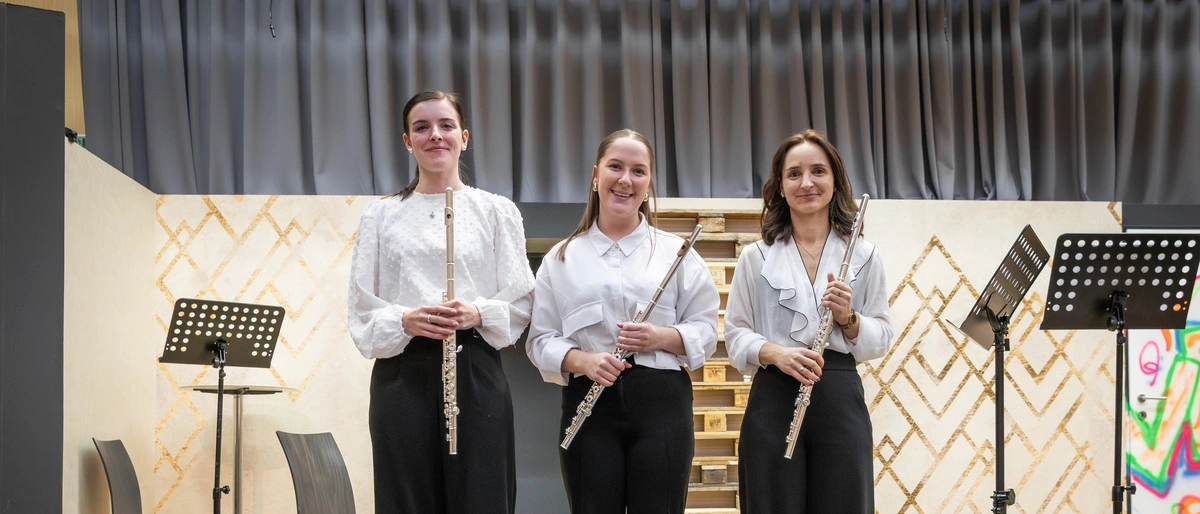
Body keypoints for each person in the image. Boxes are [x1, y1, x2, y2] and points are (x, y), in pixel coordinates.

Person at [347, 90, 535, 513]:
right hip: (402, 373)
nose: (435, 135)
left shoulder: (496, 210)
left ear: (463, 137)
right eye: (422, 127)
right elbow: (361, 306)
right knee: (406, 499)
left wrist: (477, 312)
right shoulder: (380, 215)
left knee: (483, 497)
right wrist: (404, 319)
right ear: (407, 140)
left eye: (446, 125)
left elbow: (523, 299)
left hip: (475, 369)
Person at [526, 129, 720, 514]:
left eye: (638, 171)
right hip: (590, 399)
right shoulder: (560, 259)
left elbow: (707, 331)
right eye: (615, 167)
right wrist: (583, 360)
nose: (625, 179)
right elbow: (540, 340)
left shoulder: (678, 253)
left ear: (649, 184)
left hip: (662, 402)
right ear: (596, 176)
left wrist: (659, 337)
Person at [725, 129, 893, 513]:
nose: (806, 183)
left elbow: (882, 336)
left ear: (835, 180)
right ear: (780, 187)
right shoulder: (756, 257)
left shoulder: (865, 255)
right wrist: (777, 354)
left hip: (838, 395)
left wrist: (848, 318)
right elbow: (735, 335)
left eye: (818, 171)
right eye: (794, 174)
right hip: (773, 395)